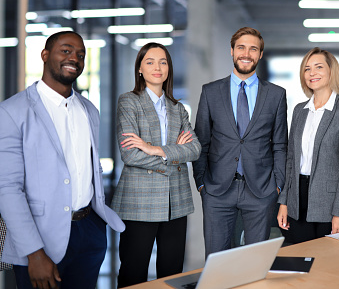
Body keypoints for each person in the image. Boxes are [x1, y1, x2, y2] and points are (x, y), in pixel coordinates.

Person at [0, 31, 125, 289]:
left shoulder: (89, 110)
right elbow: (8, 189)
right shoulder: (13, 111)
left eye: (81, 55)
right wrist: (34, 253)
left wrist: (96, 228)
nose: (75, 59)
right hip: (41, 239)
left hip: (89, 231)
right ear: (45, 55)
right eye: (66, 51)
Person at [111, 42, 201, 287]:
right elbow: (130, 155)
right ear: (140, 68)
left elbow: (194, 149)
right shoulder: (129, 102)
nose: (157, 67)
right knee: (133, 273)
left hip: (176, 201)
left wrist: (155, 149)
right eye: (150, 61)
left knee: (173, 275)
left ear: (169, 68)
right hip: (140, 201)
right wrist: (174, 155)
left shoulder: (178, 108)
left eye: (163, 61)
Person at [193, 27, 287, 256]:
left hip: (261, 191)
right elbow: (201, 141)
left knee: (255, 263)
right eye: (241, 47)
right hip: (217, 190)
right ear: (232, 51)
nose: (247, 53)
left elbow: (280, 145)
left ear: (260, 54)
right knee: (216, 261)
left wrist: (277, 186)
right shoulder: (210, 92)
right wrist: (201, 184)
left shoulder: (276, 94)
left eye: (253, 48)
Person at [276, 47, 339, 244]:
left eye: (318, 67)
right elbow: (291, 161)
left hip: (330, 206)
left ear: (331, 71)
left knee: (327, 267)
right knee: (300, 264)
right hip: (297, 202)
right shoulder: (299, 111)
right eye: (307, 69)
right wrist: (284, 203)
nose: (312, 73)